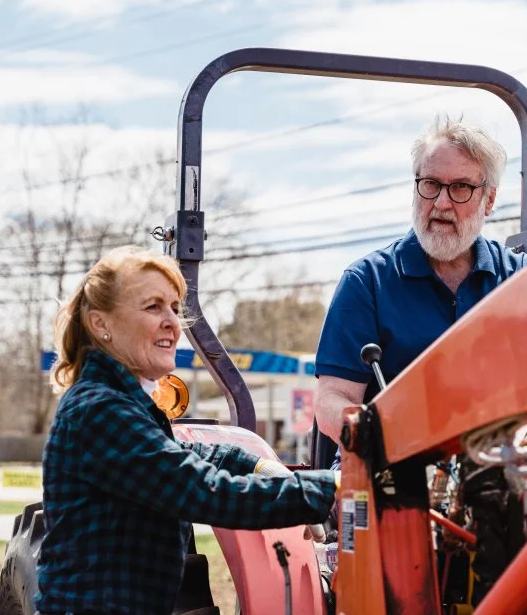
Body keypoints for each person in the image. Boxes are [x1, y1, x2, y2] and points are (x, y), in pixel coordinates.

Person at [35, 245, 339, 615]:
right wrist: (329, 490)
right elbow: (202, 491)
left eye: (175, 308)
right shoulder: (100, 410)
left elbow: (188, 455)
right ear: (101, 325)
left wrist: (259, 466)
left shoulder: (124, 403)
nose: (172, 322)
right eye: (153, 307)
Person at [313, 114, 527, 467]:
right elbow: (331, 401)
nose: (442, 204)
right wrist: (380, 433)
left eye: (461, 188)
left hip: (495, 471)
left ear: (489, 201)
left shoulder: (521, 280)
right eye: (431, 184)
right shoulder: (366, 281)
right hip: (388, 473)